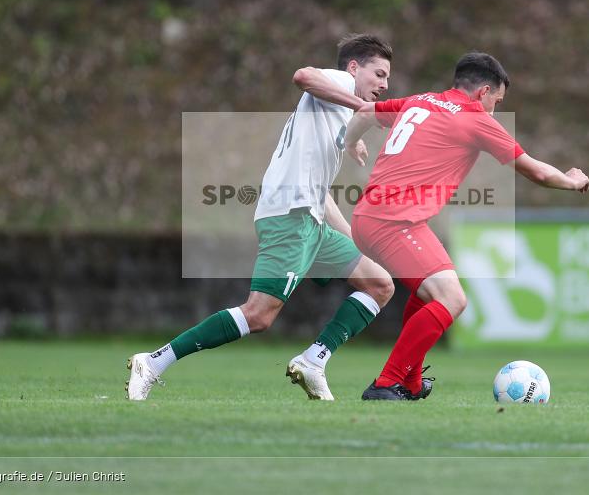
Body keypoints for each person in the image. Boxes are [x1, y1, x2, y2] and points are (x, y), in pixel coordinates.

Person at [126, 35, 396, 401]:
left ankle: (313, 362)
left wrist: (352, 234)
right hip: (290, 218)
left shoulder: (336, 113)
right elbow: (302, 75)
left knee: (380, 285)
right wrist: (362, 110)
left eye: (386, 78)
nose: (384, 84)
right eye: (378, 74)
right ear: (353, 68)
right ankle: (154, 362)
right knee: (258, 316)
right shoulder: (341, 83)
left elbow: (318, 189)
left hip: (311, 221)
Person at [344, 52, 589, 400]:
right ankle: (387, 383)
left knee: (428, 294)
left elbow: (366, 112)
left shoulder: (420, 101)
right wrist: (570, 180)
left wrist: (351, 142)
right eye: (497, 102)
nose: (495, 111)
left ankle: (411, 384)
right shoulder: (475, 118)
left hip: (370, 216)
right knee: (453, 298)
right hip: (394, 222)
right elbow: (535, 170)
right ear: (483, 92)